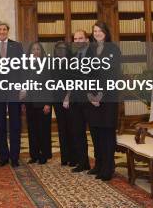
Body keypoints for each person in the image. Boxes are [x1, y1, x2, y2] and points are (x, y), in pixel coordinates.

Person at [0, 21, 24, 167]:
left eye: (4, 29)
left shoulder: (17, 46)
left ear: (8, 31)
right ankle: (4, 157)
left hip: (14, 90)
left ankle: (14, 157)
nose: (2, 31)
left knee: (15, 125)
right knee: (0, 125)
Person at [85, 21, 121, 181]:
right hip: (92, 98)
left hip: (108, 98)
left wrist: (100, 94)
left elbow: (112, 74)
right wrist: (90, 94)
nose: (97, 33)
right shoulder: (90, 49)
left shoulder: (113, 49)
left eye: (100, 30)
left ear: (106, 32)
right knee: (96, 133)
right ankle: (99, 165)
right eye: (95, 31)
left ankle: (108, 168)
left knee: (107, 133)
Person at [24, 42, 52, 164]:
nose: (35, 51)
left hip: (43, 103)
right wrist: (23, 103)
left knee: (43, 131)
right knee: (32, 130)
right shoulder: (26, 65)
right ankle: (34, 155)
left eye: (38, 49)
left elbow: (50, 85)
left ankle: (44, 155)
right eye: (33, 49)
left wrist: (48, 103)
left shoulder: (47, 64)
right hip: (30, 103)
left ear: (41, 52)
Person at [69, 29, 91, 172]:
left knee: (94, 133)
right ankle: (83, 163)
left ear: (87, 40)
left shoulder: (93, 54)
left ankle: (101, 164)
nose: (77, 41)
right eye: (75, 39)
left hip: (89, 100)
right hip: (75, 100)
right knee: (78, 132)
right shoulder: (74, 56)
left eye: (80, 38)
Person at [51, 41, 75, 166]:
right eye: (58, 49)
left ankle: (73, 157)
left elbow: (74, 81)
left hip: (69, 98)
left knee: (71, 127)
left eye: (63, 48)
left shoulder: (72, 63)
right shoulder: (53, 63)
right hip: (57, 99)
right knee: (61, 128)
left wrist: (68, 96)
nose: (60, 51)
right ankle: (64, 157)